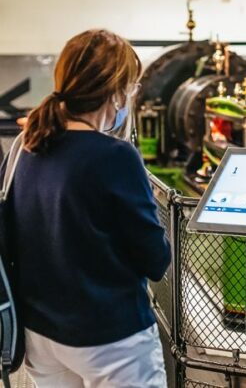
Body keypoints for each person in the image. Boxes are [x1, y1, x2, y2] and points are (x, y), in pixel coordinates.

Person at [0, 29, 171, 387]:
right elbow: (155, 260)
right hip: (111, 339)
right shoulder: (115, 156)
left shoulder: (24, 146)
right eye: (131, 88)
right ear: (116, 91)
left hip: (40, 334)